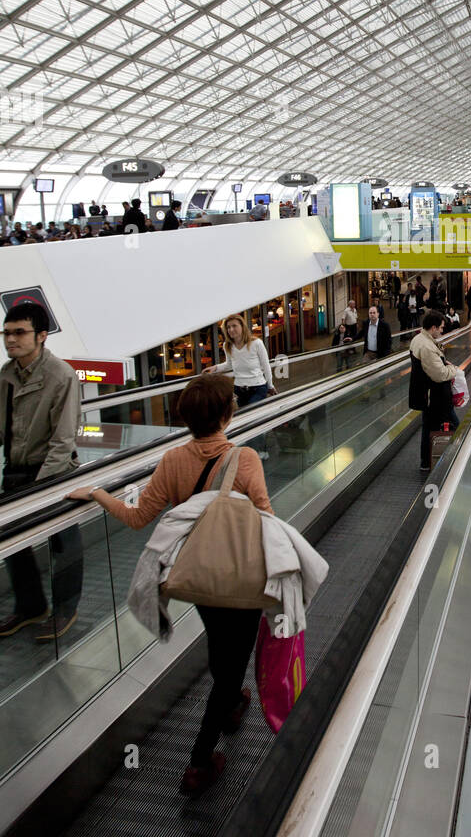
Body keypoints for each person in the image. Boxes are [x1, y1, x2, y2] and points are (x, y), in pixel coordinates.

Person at [69, 374, 276, 795]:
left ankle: (234, 699)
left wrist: (98, 494)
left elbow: (138, 517)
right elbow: (267, 521)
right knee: (231, 659)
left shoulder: (171, 461)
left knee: (222, 647)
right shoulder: (246, 459)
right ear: (226, 414)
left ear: (185, 419)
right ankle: (199, 762)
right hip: (240, 574)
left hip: (196, 576)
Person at [0, 303, 84, 640]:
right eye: (7, 333)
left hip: (53, 471)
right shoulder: (6, 376)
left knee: (62, 540)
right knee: (13, 541)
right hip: (16, 470)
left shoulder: (60, 375)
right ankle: (31, 607)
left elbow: (63, 439)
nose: (11, 340)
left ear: (42, 336)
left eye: (20, 332)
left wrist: (43, 488)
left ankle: (66, 607)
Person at [409, 311, 460, 471]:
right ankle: (458, 457)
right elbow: (440, 374)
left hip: (428, 395)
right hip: (436, 397)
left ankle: (426, 462)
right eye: (441, 328)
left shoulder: (419, 339)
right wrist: (453, 369)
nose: (442, 331)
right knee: (457, 426)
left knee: (428, 427)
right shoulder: (426, 346)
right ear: (433, 327)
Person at [207, 314, 275, 407]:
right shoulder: (227, 345)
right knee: (244, 416)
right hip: (239, 389)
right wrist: (215, 368)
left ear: (242, 326)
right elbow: (229, 365)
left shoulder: (256, 343)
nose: (231, 329)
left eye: (234, 326)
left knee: (251, 413)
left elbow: (266, 366)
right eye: (228, 327)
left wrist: (270, 386)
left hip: (258, 388)